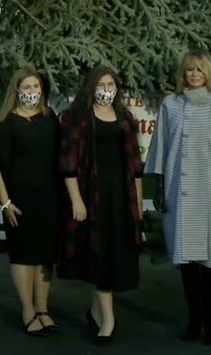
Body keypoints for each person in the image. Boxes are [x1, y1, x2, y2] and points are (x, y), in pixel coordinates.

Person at [143, 49, 211, 345]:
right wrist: (159, 188)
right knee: (187, 261)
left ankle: (210, 319)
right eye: (189, 70)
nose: (193, 74)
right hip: (180, 191)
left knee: (210, 258)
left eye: (199, 70)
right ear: (183, 73)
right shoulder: (170, 105)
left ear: (208, 73)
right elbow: (161, 146)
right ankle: (193, 319)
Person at [56, 65, 144, 345]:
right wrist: (76, 201)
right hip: (90, 195)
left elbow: (135, 165)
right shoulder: (77, 118)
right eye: (101, 84)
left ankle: (96, 311)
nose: (107, 89)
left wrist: (139, 203)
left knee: (109, 255)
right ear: (91, 87)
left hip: (120, 196)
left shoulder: (125, 118)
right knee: (97, 254)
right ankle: (108, 320)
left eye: (111, 84)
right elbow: (68, 163)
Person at [0, 68, 62, 337]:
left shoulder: (50, 119)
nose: (32, 91)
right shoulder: (6, 124)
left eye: (36, 86)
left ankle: (43, 309)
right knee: (23, 254)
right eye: (27, 86)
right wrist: (5, 202)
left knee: (44, 256)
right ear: (17, 90)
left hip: (49, 198)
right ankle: (27, 311)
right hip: (18, 200)